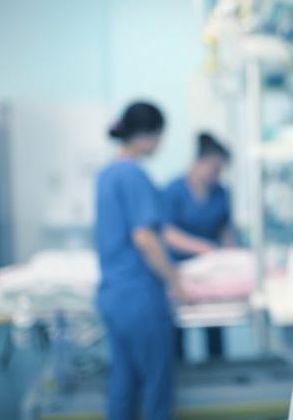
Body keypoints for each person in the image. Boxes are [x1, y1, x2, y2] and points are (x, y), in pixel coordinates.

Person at [95, 101, 182, 420]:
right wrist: (175, 281)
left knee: (123, 384)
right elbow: (145, 238)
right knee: (156, 389)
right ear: (148, 136)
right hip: (140, 297)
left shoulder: (107, 174)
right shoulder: (133, 176)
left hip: (113, 295)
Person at [163, 132, 235, 261]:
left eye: (221, 170)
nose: (218, 175)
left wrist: (230, 257)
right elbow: (167, 233)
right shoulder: (174, 191)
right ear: (199, 162)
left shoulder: (221, 193)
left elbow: (226, 231)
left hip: (212, 263)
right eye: (215, 169)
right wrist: (204, 248)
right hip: (180, 263)